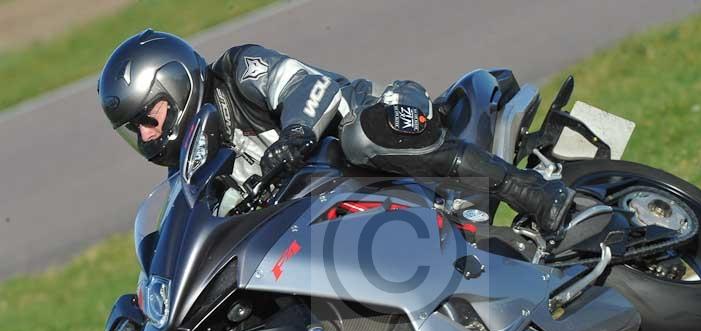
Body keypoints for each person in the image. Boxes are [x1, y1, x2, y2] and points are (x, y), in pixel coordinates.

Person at [98, 29, 573, 233]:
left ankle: (531, 192)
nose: (145, 137)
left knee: (358, 135)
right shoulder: (199, 164)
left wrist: (297, 134)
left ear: (176, 86)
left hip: (386, 118)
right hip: (342, 199)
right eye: (133, 131)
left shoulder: (240, 69)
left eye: (148, 118)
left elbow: (309, 86)